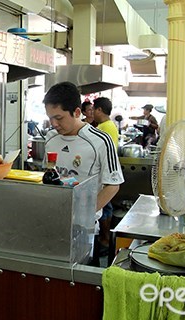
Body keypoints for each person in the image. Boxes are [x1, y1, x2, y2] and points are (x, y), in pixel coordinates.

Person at [43, 82, 124, 266]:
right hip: (52, 222)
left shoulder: (100, 140)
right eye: (50, 118)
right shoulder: (50, 139)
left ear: (77, 112)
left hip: (83, 229)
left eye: (59, 118)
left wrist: (83, 214)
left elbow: (113, 184)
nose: (54, 124)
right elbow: (48, 175)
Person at [92, 97, 119, 254]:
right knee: (107, 208)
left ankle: (105, 239)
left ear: (99, 110)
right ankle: (106, 239)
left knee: (103, 208)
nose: (92, 113)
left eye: (94, 109)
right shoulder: (111, 126)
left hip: (103, 175)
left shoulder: (102, 128)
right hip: (107, 172)